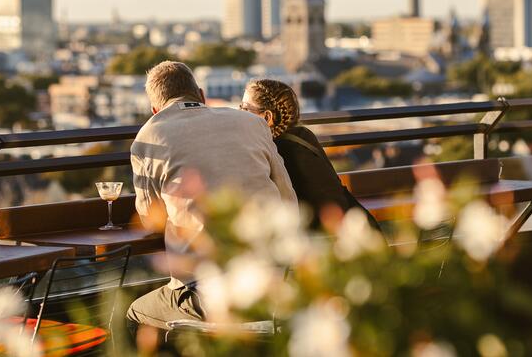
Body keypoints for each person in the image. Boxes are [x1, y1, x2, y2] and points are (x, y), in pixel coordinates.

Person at [126, 62, 297, 332]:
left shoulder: (149, 136)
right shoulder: (252, 122)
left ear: (155, 110)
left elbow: (149, 220)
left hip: (208, 291)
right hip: (273, 280)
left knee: (133, 314)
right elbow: (288, 201)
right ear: (202, 95)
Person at [240, 78, 383, 233]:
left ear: (267, 118)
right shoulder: (303, 135)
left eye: (245, 108)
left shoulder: (274, 151)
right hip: (361, 227)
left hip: (336, 239)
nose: (239, 113)